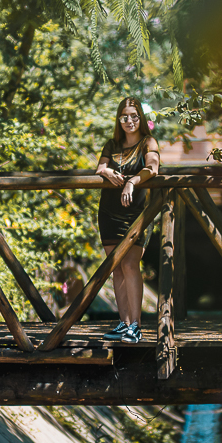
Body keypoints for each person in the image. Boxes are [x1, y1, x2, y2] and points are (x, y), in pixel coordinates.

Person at [95, 97, 160, 343]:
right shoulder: (112, 144)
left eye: (134, 116)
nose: (130, 121)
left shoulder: (148, 142)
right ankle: (123, 324)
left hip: (137, 213)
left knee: (131, 265)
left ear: (141, 119)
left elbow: (153, 168)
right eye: (125, 116)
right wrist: (108, 171)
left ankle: (136, 326)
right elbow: (99, 168)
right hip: (109, 213)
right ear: (119, 119)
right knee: (116, 268)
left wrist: (132, 181)